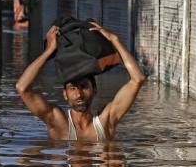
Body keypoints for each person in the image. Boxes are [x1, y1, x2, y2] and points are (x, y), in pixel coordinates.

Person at [16, 22, 146, 141]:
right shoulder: (58, 123)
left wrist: (115, 40)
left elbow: (138, 79)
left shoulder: (106, 121)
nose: (79, 94)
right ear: (65, 94)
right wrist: (48, 51)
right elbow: (22, 87)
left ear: (95, 90)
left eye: (84, 87)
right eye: (72, 88)